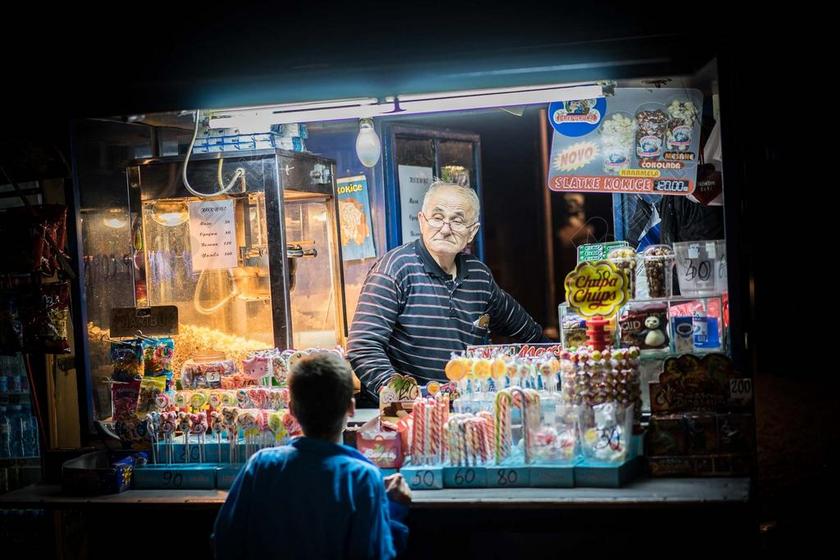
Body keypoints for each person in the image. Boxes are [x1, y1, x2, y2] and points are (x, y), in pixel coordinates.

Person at [348, 181, 549, 400]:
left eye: (457, 220)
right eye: (437, 217)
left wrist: (559, 362)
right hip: (408, 416)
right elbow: (363, 347)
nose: (445, 229)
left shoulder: (479, 276)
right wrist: (405, 401)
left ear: (472, 232)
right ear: (422, 221)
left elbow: (531, 335)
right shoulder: (394, 270)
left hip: (465, 412)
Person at [213, 352, 410, 559]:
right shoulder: (362, 477)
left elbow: (225, 541)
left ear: (291, 410)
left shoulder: (260, 466)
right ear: (351, 408)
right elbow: (376, 553)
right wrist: (394, 510)